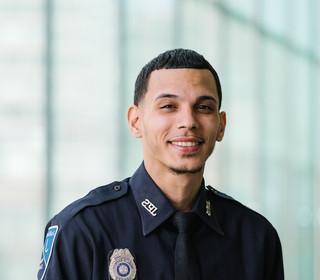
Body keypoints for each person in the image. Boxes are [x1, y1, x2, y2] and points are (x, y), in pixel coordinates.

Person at [37, 48, 284, 280]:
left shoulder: (256, 238)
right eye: (168, 106)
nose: (188, 121)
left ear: (221, 125)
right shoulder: (83, 231)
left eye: (204, 107)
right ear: (136, 122)